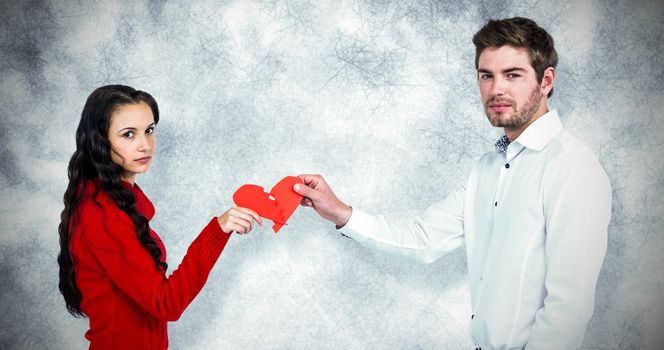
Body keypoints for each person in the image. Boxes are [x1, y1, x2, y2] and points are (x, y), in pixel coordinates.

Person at [293, 17, 612, 349]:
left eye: (512, 75)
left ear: (546, 80)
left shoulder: (572, 167)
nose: (497, 89)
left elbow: (568, 309)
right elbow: (422, 240)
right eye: (486, 76)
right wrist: (339, 212)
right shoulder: (488, 169)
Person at [57, 85, 262, 349]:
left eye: (149, 130)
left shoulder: (121, 200)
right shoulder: (102, 215)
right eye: (128, 134)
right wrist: (217, 230)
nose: (145, 145)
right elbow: (166, 304)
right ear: (100, 139)